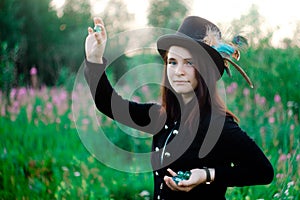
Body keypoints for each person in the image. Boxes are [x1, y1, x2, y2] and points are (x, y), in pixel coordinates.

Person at [84, 16, 274, 199]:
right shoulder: (161, 117)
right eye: (172, 62)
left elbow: (263, 172)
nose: (178, 71)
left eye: (189, 63)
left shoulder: (217, 124)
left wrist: (206, 175)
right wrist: (94, 59)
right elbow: (109, 104)